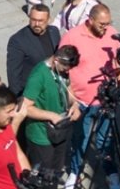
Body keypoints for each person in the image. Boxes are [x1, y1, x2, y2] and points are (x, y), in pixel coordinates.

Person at [59, 4, 120, 188]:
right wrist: (71, 99)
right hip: (82, 102)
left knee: (105, 139)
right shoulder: (73, 37)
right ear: (91, 20)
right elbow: (62, 69)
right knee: (81, 139)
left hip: (106, 100)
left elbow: (118, 61)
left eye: (108, 23)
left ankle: (111, 172)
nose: (105, 28)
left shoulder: (111, 33)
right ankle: (75, 172)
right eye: (102, 24)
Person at [21, 46, 82, 174]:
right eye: (65, 68)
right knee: (44, 175)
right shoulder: (38, 76)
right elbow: (25, 108)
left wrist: (75, 104)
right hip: (41, 136)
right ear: (56, 60)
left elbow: (68, 88)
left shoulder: (63, 70)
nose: (67, 71)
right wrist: (51, 116)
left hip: (60, 131)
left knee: (56, 172)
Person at [5, 4, 61, 97]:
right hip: (33, 93)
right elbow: (13, 74)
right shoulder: (18, 40)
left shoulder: (54, 31)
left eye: (41, 21)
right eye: (33, 20)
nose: (37, 24)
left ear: (48, 20)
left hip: (52, 88)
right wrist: (18, 98)